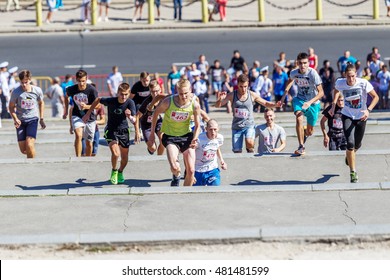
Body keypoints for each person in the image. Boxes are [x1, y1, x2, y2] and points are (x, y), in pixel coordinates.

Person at [330, 63, 379, 183]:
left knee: (357, 145)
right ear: (344, 75)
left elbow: (376, 97)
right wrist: (333, 105)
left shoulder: (363, 83)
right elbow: (336, 90)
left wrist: (368, 110)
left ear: (356, 74)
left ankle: (349, 156)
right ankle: (353, 172)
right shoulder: (340, 82)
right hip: (347, 115)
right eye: (348, 76)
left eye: (352, 76)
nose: (351, 79)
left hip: (361, 116)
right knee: (350, 143)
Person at [148, 78, 201, 187]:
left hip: (187, 136)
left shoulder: (194, 105)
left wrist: (195, 138)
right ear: (177, 91)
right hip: (170, 137)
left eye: (186, 93)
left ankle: (184, 194)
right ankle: (176, 175)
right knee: (175, 168)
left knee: (191, 171)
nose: (184, 96)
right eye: (181, 93)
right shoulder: (168, 102)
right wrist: (152, 134)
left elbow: (198, 125)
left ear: (190, 90)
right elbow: (155, 113)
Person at [83, 83, 136, 185]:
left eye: (126, 94)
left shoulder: (130, 102)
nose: (123, 97)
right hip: (111, 130)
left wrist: (130, 117)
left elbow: (134, 119)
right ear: (117, 93)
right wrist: (88, 113)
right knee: (116, 154)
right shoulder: (111, 101)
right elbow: (98, 100)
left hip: (124, 131)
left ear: (128, 93)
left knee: (125, 158)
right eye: (121, 94)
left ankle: (120, 172)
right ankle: (114, 171)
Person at [216, 74, 279, 153]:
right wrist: (219, 99)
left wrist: (275, 104)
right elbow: (218, 105)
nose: (243, 89)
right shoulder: (232, 95)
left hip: (249, 125)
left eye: (245, 86)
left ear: (248, 84)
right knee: (237, 151)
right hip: (237, 127)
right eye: (241, 86)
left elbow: (265, 103)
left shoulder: (252, 94)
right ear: (237, 84)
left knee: (249, 143)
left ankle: (251, 147)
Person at [280, 52, 324, 155]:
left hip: (313, 102)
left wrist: (309, 102)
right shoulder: (294, 73)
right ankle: (301, 146)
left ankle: (305, 132)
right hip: (299, 99)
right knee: (299, 117)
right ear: (297, 63)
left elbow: (321, 93)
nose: (303, 65)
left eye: (305, 63)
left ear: (308, 63)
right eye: (300, 63)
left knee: (310, 131)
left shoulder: (313, 73)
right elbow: (290, 81)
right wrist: (283, 97)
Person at [8, 70, 46, 158]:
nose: (24, 85)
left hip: (32, 119)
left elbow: (41, 103)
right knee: (23, 150)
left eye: (26, 82)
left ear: (30, 80)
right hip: (20, 121)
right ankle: (31, 155)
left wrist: (42, 118)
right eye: (22, 82)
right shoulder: (16, 92)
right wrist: (15, 119)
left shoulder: (37, 90)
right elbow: (11, 107)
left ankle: (32, 165)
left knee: (29, 145)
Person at [63, 69, 98, 157]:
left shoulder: (92, 90)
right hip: (77, 115)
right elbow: (66, 97)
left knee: (89, 142)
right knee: (78, 135)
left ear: (86, 79)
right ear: (76, 80)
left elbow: (98, 106)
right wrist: (65, 111)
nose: (81, 83)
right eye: (79, 81)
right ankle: (78, 159)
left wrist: (86, 106)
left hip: (90, 117)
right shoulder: (71, 89)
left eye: (83, 81)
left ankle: (88, 159)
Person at [135, 79, 165, 155]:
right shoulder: (147, 102)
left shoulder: (164, 99)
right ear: (150, 91)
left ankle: (159, 158)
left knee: (163, 141)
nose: (155, 94)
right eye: (152, 92)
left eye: (157, 91)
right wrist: (137, 131)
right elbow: (137, 116)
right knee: (153, 148)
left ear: (160, 89)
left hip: (158, 122)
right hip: (147, 125)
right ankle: (151, 147)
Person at [194, 119, 226, 186]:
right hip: (198, 170)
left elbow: (217, 148)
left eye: (215, 129)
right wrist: (190, 172)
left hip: (212, 169)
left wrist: (222, 161)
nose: (213, 132)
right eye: (211, 129)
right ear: (206, 129)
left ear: (218, 129)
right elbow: (190, 154)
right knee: (197, 192)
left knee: (215, 185)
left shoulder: (220, 138)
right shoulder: (199, 139)